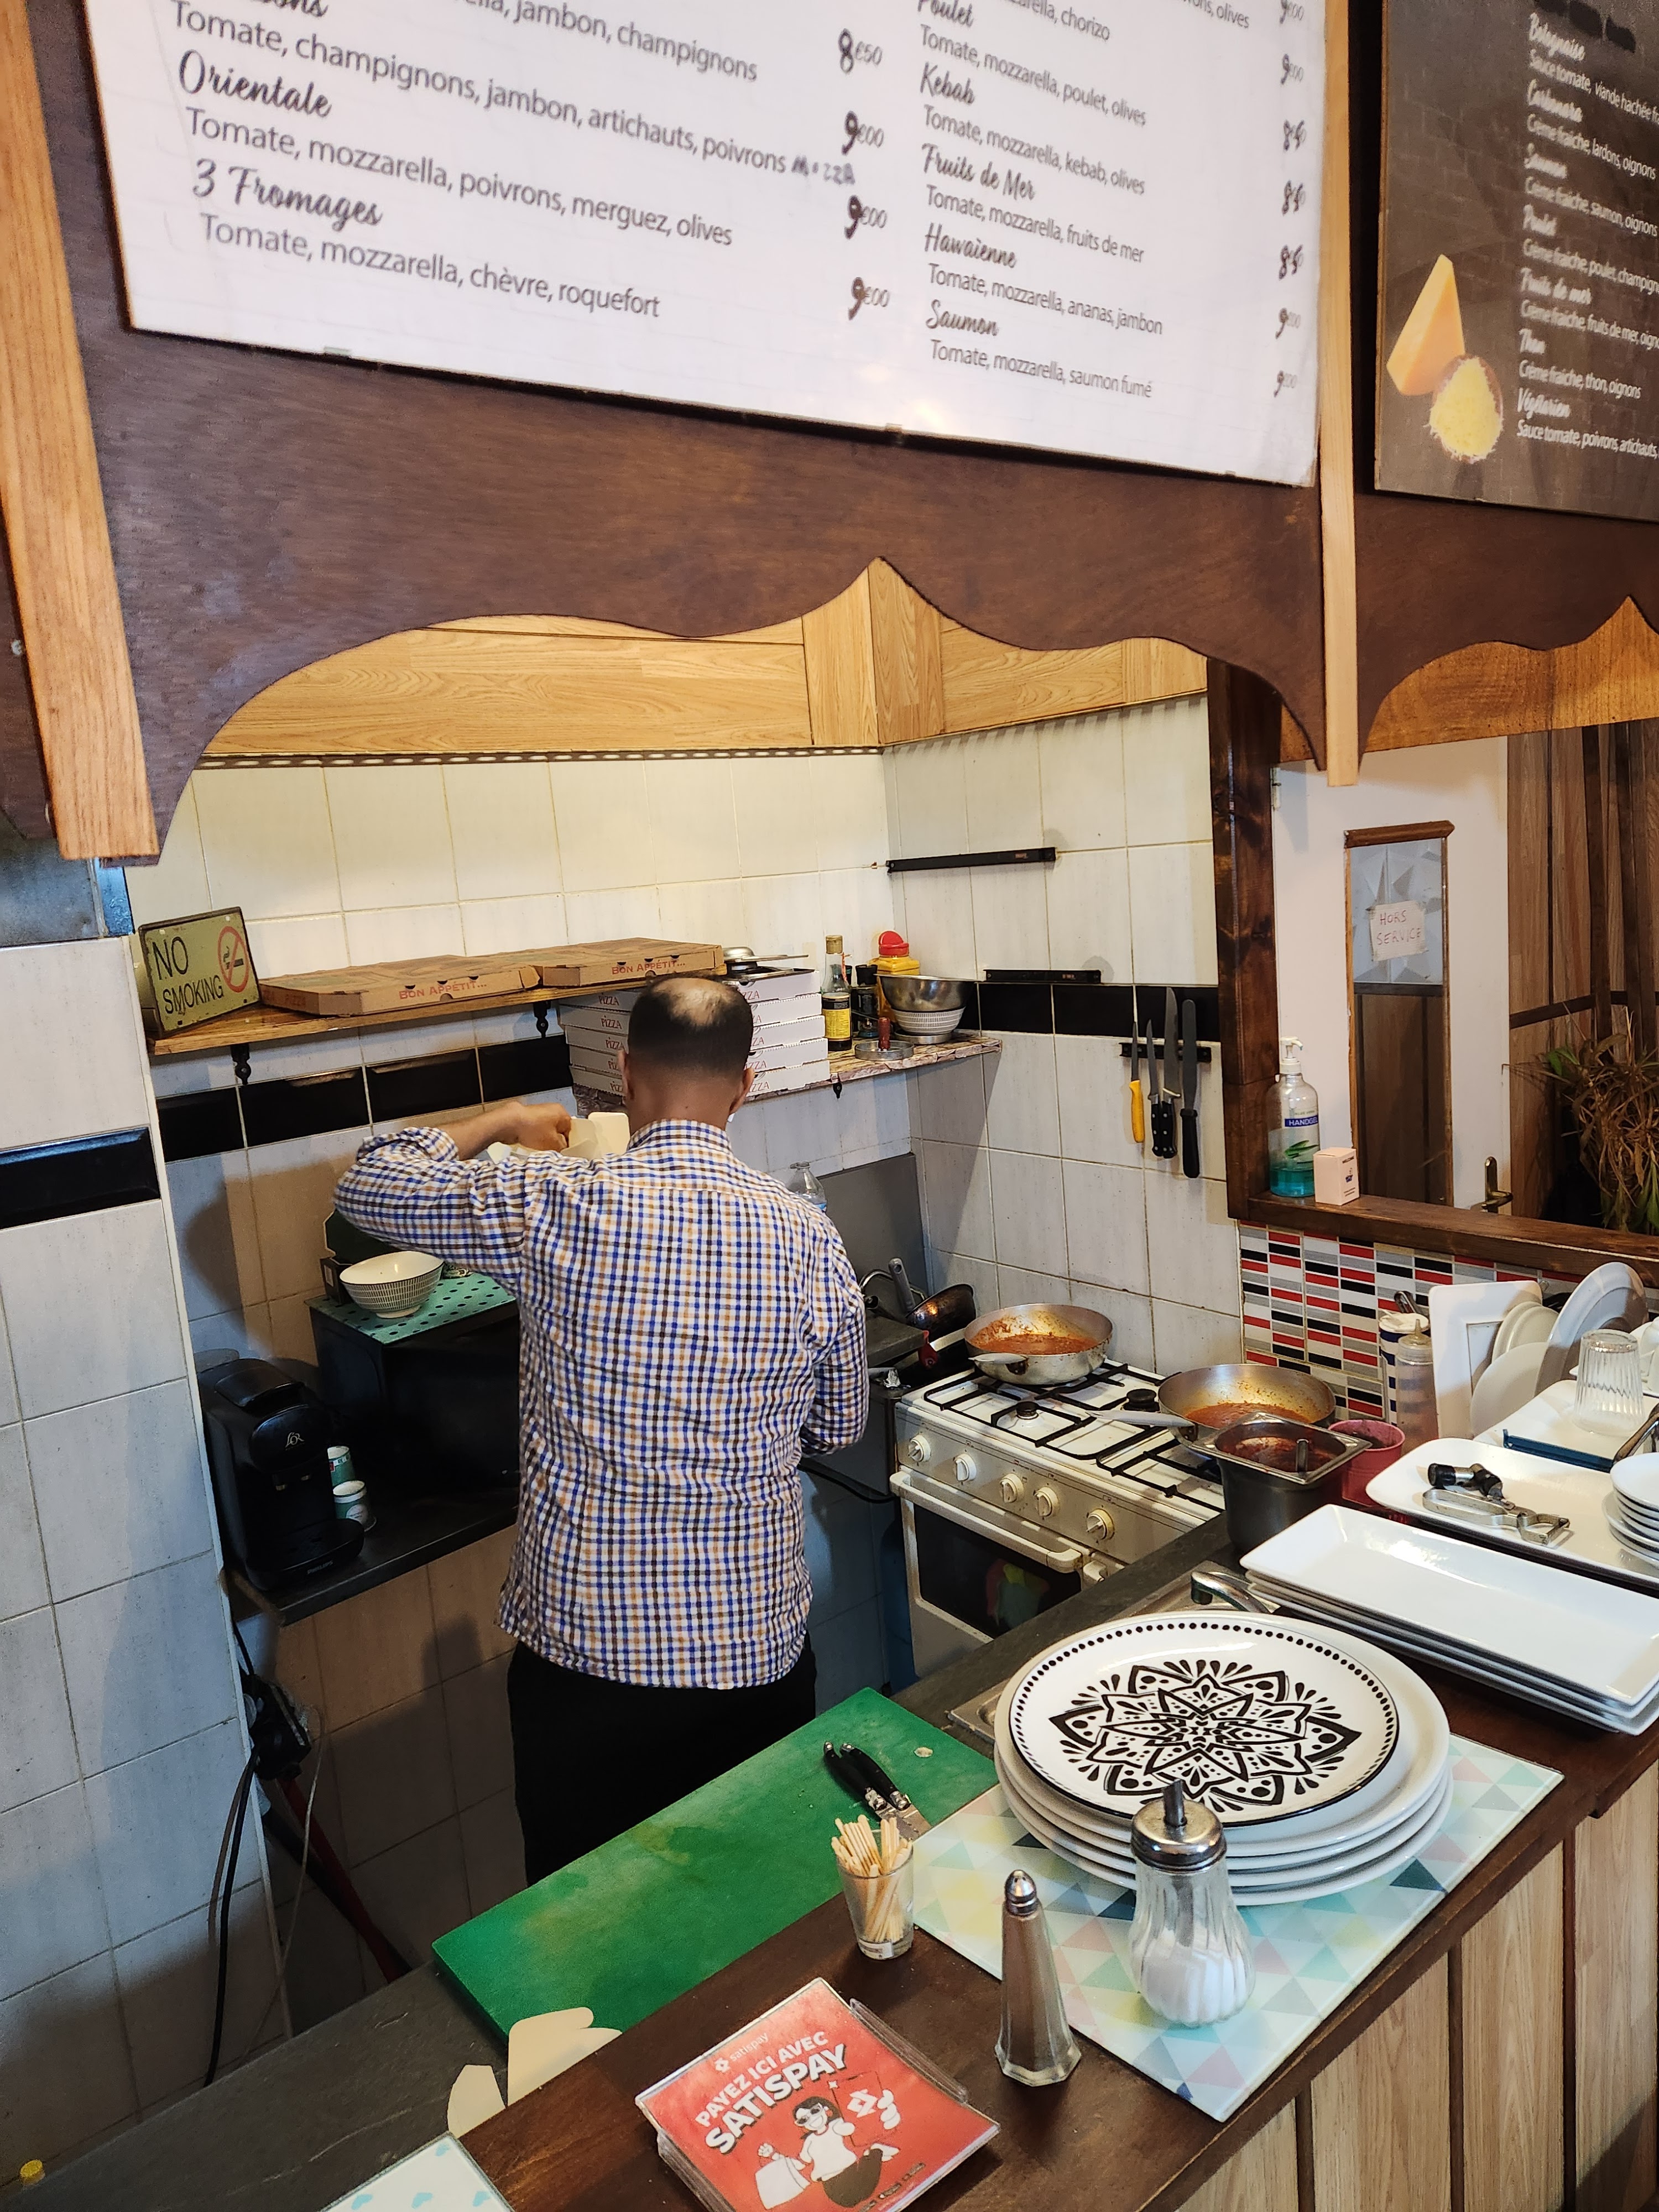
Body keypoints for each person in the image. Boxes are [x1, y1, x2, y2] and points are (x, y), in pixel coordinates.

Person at [333, 975, 867, 1881]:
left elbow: (371, 1180)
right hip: (750, 1658)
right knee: (757, 1922)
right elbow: (839, 1423)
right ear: (744, 1085)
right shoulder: (808, 1238)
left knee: (584, 1933)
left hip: (587, 1670)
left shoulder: (553, 1204)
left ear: (623, 1074)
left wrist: (503, 1120)